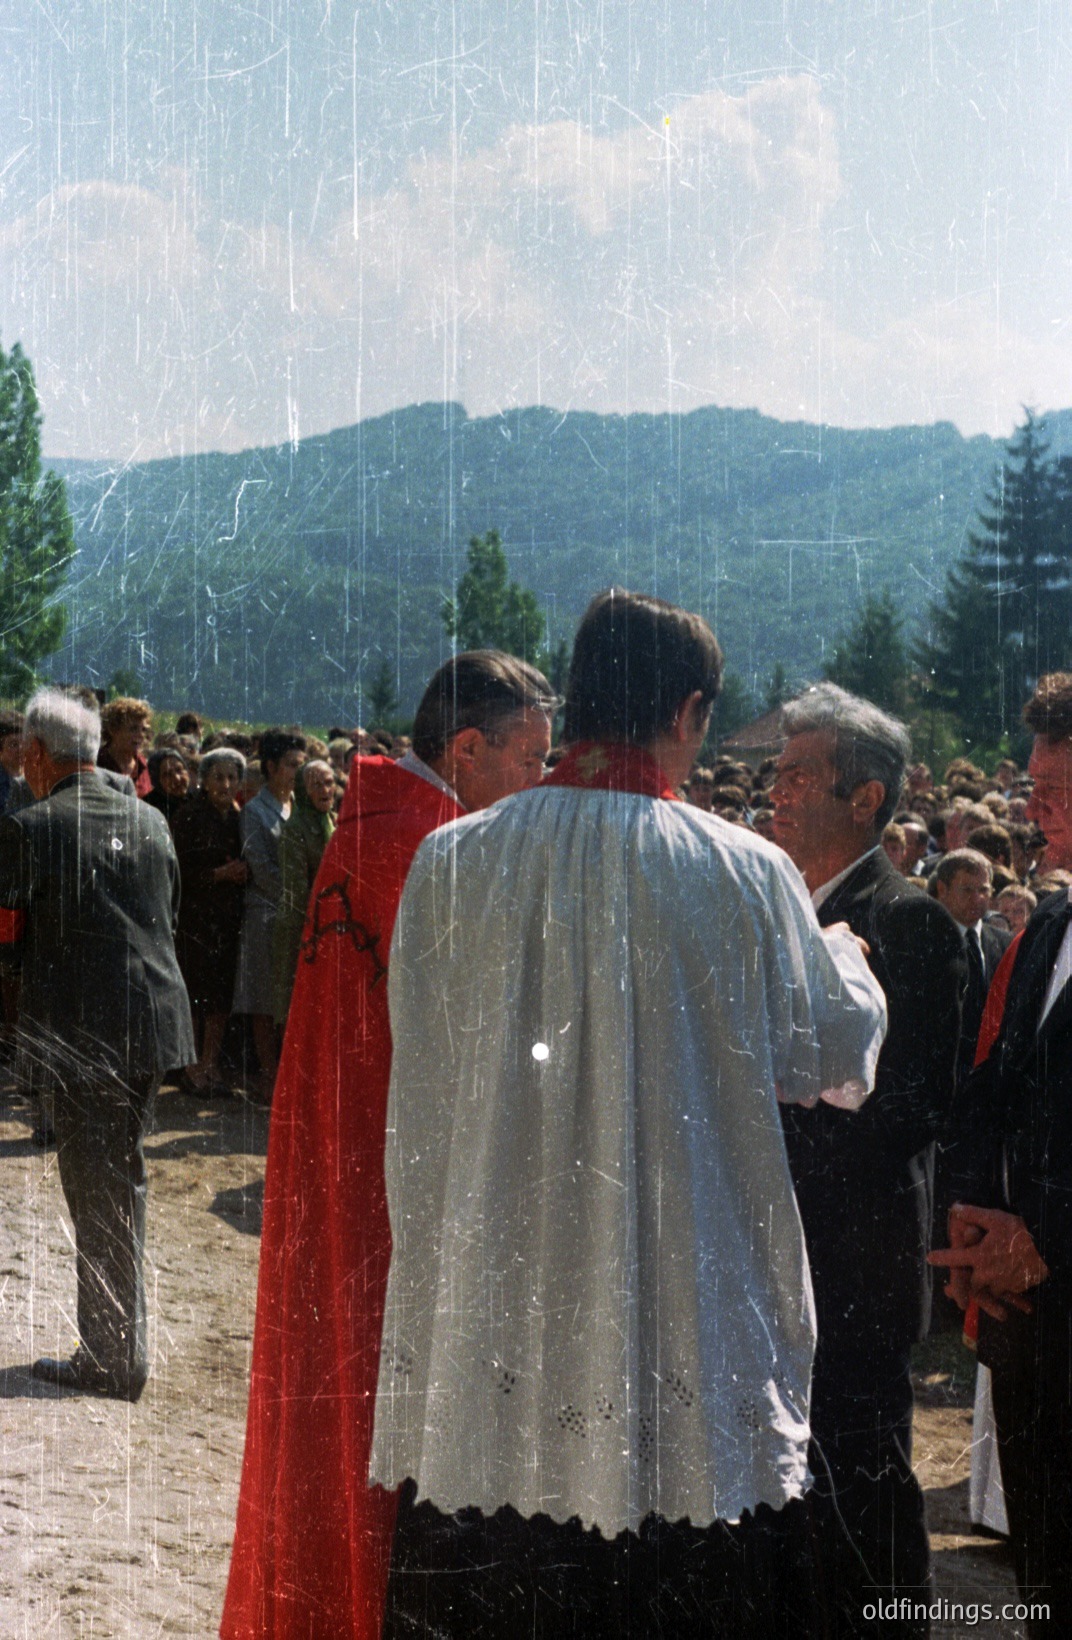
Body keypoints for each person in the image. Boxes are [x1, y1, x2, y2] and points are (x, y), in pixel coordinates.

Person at [369, 592, 886, 1637]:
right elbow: (824, 1056)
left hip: (501, 1291)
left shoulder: (453, 859)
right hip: (673, 1303)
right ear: (689, 712)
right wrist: (849, 967)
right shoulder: (745, 871)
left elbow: (422, 1058)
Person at [221, 650, 557, 1640]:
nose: (541, 780)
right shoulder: (438, 847)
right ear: (465, 748)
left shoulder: (371, 827)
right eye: (530, 757)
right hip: (397, 1196)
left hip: (338, 1169)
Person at [770, 682, 966, 1638]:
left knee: (861, 1510)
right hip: (775, 1258)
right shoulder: (774, 907)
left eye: (799, 775)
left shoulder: (909, 921)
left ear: (866, 800)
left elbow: (911, 1108)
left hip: (850, 1261)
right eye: (775, 771)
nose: (775, 792)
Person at [0, 689, 194, 1399]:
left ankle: (113, 1358)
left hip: (85, 1034)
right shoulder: (149, 820)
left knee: (102, 1191)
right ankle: (116, 1347)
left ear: (38, 755)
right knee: (118, 1180)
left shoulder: (34, 826)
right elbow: (166, 914)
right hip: (148, 1026)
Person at [930, 672, 1072, 1635]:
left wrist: (1047, 1237)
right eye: (1032, 781)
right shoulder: (1050, 928)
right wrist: (973, 1216)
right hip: (1033, 1333)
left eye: (1057, 784)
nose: (1031, 804)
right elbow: (992, 1094)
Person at [232, 728, 306, 1097]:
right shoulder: (254, 812)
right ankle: (267, 1071)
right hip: (266, 912)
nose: (298, 772)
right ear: (272, 767)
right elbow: (261, 870)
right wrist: (297, 899)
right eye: (292, 765)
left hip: (296, 915)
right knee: (263, 998)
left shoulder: (300, 806)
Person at [171, 748, 249, 1095]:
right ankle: (190, 1066)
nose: (226, 784)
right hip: (194, 915)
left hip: (227, 916)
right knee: (193, 993)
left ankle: (210, 1062)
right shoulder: (189, 816)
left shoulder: (237, 817)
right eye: (218, 776)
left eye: (232, 777)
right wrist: (218, 875)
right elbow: (177, 872)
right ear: (203, 779)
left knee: (219, 995)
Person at [271, 758, 336, 1024]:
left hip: (330, 926)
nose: (325, 790)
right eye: (316, 784)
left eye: (329, 783)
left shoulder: (332, 822)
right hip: (303, 927)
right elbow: (297, 890)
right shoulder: (295, 829)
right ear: (302, 790)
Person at [97, 696, 154, 796]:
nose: (141, 735)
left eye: (143, 729)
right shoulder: (97, 764)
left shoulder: (143, 765)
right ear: (113, 730)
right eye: (133, 729)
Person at [143, 747, 191, 825]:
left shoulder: (198, 799)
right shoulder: (148, 809)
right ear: (157, 780)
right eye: (167, 775)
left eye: (179, 770)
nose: (177, 779)